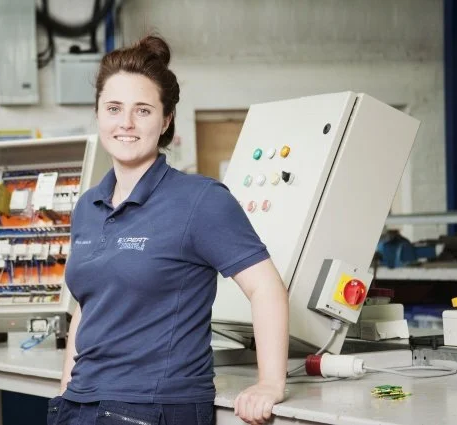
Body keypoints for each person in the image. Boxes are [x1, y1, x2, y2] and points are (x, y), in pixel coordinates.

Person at [50, 35, 289, 425]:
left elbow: (266, 287)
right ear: (98, 114)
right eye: (113, 108)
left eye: (142, 110)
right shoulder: (89, 204)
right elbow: (86, 306)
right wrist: (66, 390)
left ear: (165, 120)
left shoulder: (200, 200)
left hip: (154, 408)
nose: (125, 123)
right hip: (80, 405)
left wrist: (270, 383)